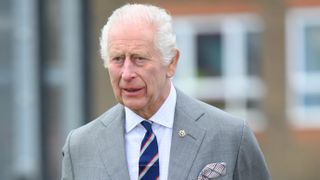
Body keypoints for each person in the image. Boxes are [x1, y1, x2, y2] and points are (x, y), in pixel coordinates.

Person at [61, 3, 271, 180]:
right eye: (117, 59)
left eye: (139, 58)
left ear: (171, 62)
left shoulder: (230, 136)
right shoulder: (80, 147)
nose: (126, 73)